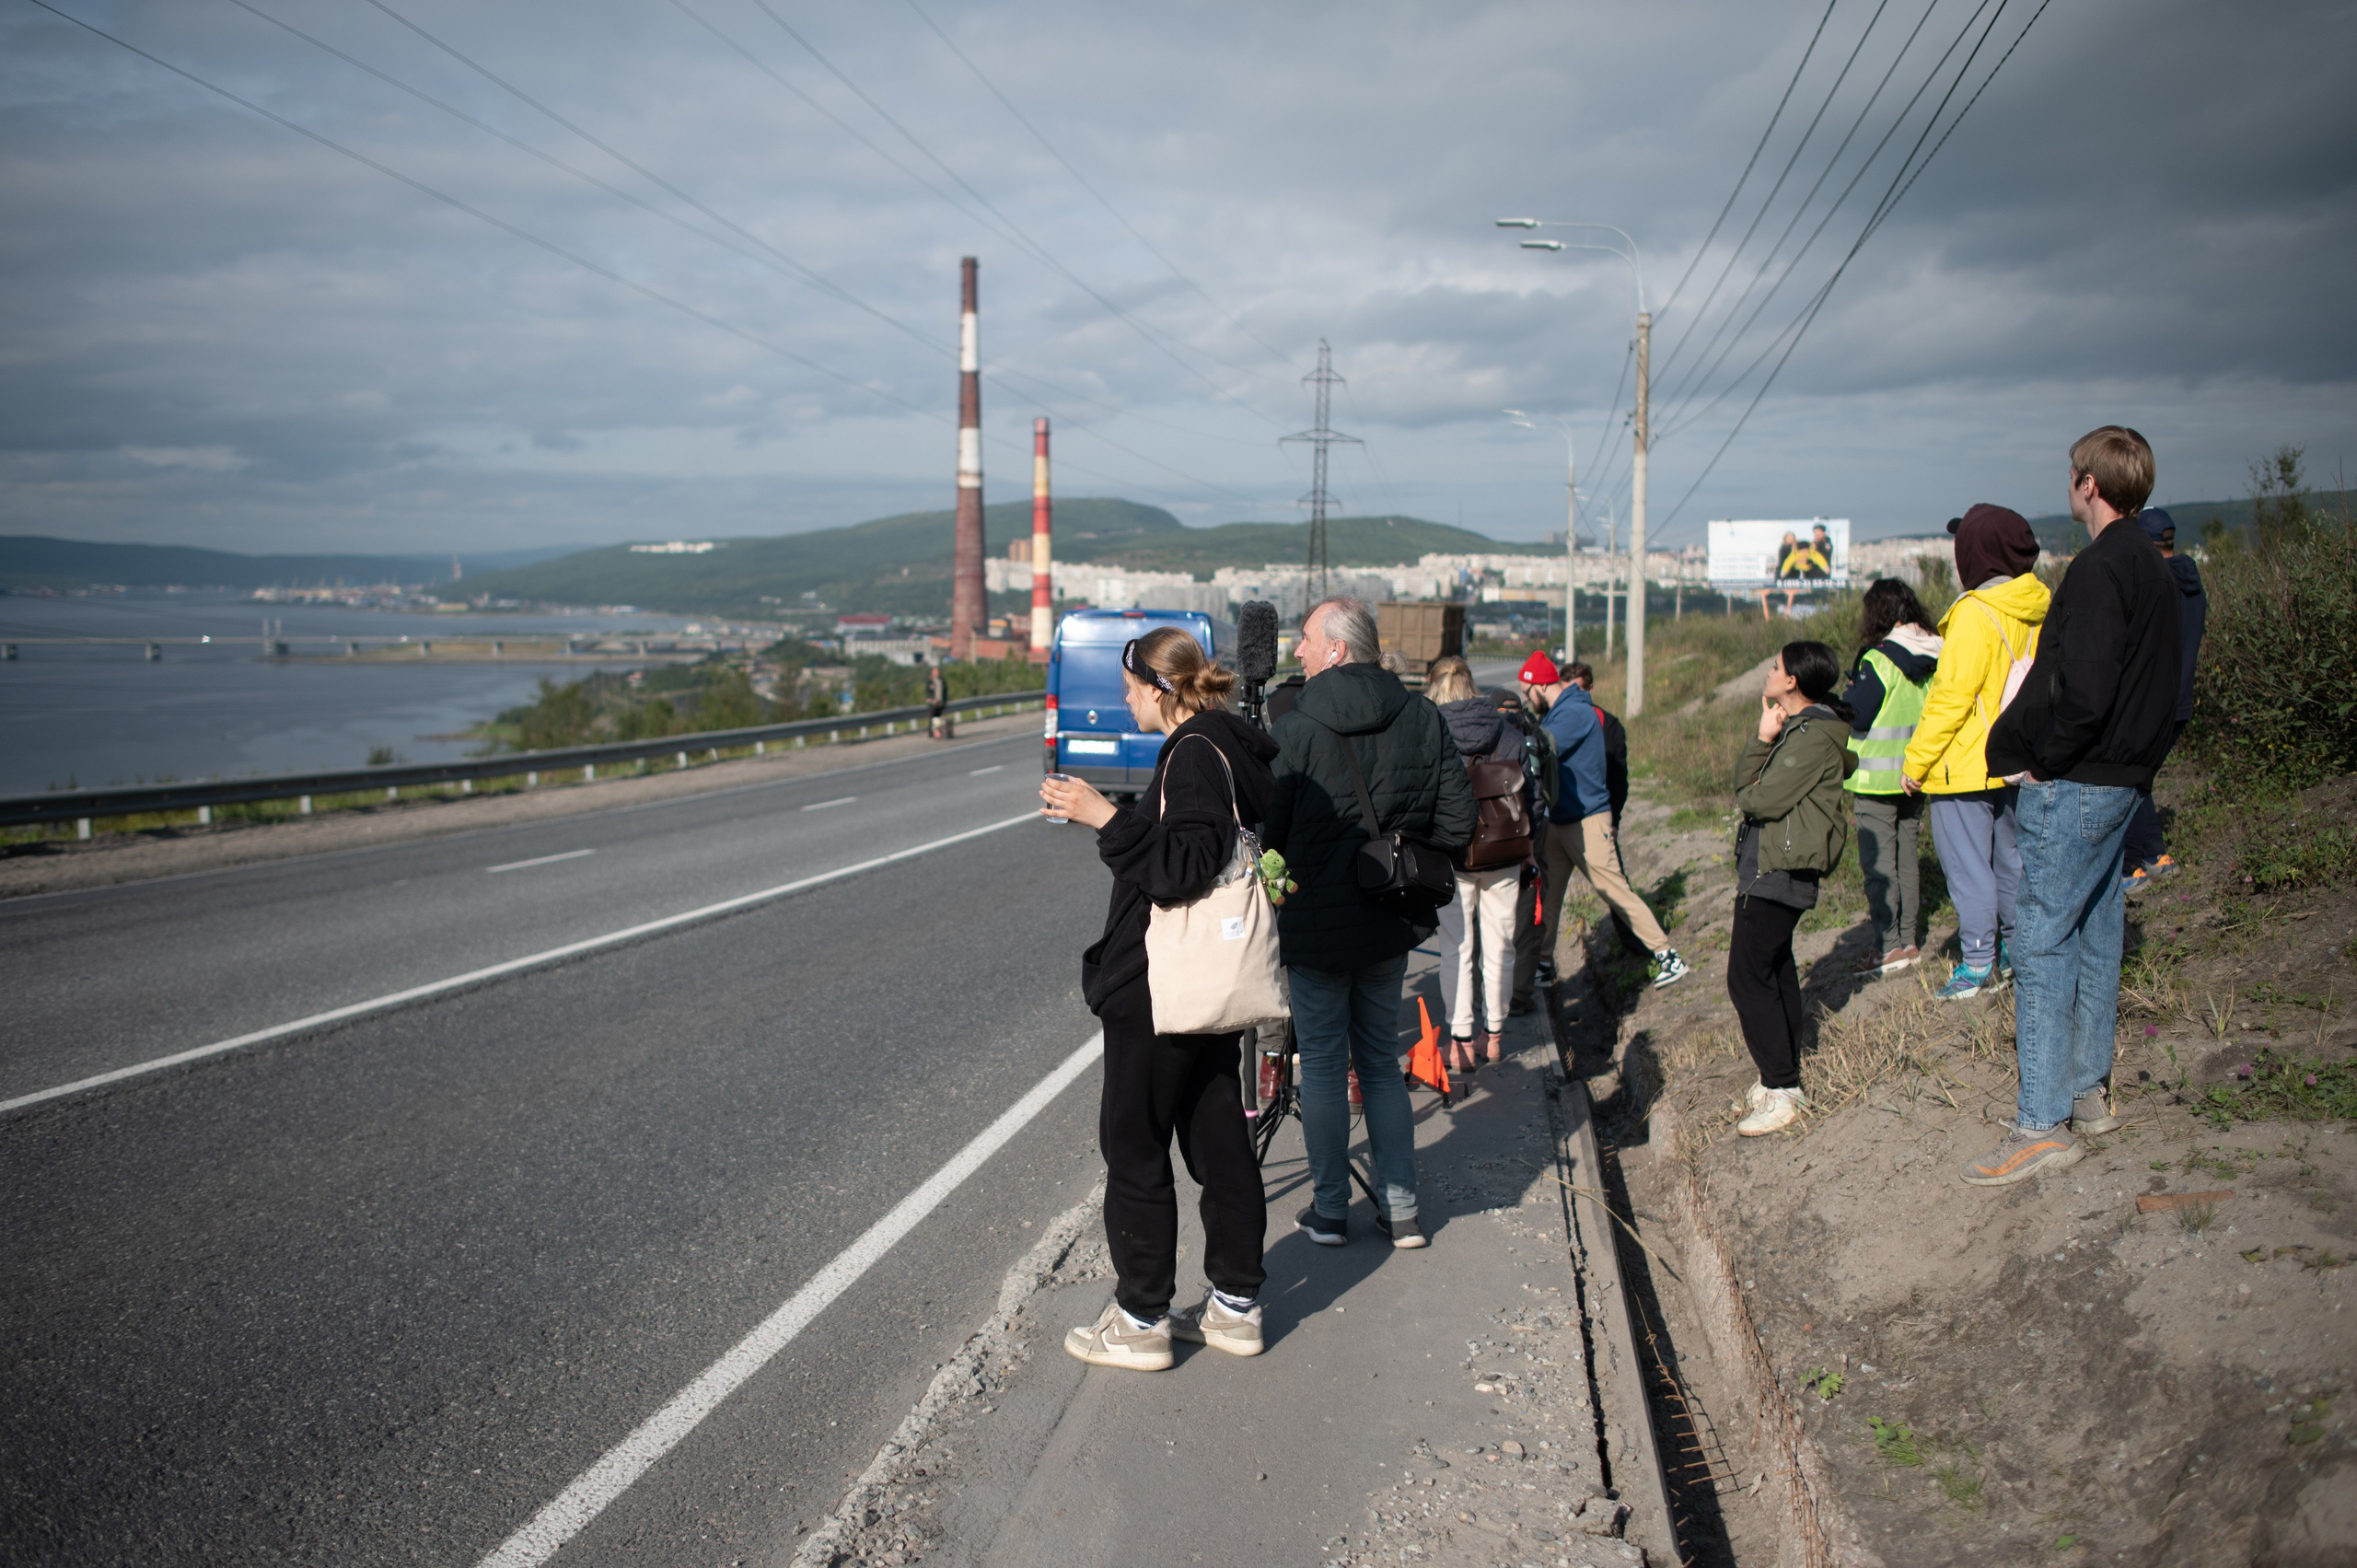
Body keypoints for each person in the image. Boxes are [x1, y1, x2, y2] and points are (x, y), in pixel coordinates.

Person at [1040, 627, 1279, 1368]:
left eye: (1129, 687)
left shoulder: (1195, 753)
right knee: (1216, 1137)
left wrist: (1104, 817)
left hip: (1161, 987)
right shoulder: (1226, 745)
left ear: (1160, 687)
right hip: (1202, 983)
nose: (1124, 699)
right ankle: (1237, 1305)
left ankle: (1143, 1317)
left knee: (1135, 1143)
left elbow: (1182, 866)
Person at [1968, 427, 2181, 1186]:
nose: (2069, 483)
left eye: (2072, 473)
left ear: (2090, 483)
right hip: (2125, 778)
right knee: (2097, 930)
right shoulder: (2157, 570)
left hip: (2078, 777)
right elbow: (2163, 687)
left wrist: (2043, 761)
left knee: (2041, 939)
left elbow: (2084, 689)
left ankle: (2040, 1122)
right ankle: (2088, 1097)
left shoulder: (2097, 569)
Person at [1263, 598, 1474, 1250]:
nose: (1296, 651)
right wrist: (1403, 855)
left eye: (1304, 639)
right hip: (1389, 918)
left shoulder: (1296, 727)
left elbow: (1267, 831)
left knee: (1323, 1066)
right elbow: (1459, 824)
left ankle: (1330, 1210)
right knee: (1381, 1062)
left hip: (1316, 925)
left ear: (1336, 648)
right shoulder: (1422, 715)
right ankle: (1402, 1208)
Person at [1900, 504, 2049, 1000]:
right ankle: (2013, 952)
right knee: (2010, 860)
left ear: (1977, 553)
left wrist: (1916, 762)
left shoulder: (1972, 613)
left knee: (1968, 868)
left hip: (1964, 764)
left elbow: (1950, 698)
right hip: (2015, 758)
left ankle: (1979, 962)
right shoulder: (2036, 604)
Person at [1728, 642, 1858, 1135]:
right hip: (1771, 862)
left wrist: (1758, 771)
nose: (1769, 670)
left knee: (1747, 976)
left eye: (1776, 666)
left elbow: (1759, 799)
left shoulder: (1812, 737)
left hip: (1781, 865)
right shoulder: (1798, 729)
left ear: (1793, 682)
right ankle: (1777, 1078)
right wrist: (1763, 738)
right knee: (1775, 968)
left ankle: (1784, 1091)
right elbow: (1749, 786)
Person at [1524, 651, 1690, 993]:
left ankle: (1668, 955)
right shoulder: (1563, 711)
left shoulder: (1574, 712)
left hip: (1586, 821)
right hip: (1561, 819)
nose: (1529, 701)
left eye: (1528, 694)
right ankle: (1541, 964)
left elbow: (1544, 746)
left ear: (1539, 685)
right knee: (1550, 894)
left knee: (1613, 889)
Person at [1427, 656, 1532, 1073]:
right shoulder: (1507, 731)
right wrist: (1530, 845)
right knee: (1501, 945)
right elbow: (1531, 797)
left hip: (1454, 854)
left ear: (1436, 689)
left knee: (1456, 948)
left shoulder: (1434, 732)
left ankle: (1461, 1040)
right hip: (1504, 852)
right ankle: (1495, 1035)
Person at [1841, 579, 1943, 976]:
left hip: (1876, 780)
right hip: (1915, 775)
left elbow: (1858, 715)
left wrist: (1848, 693)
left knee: (1880, 866)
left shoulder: (1879, 660)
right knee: (1906, 860)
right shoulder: (1937, 651)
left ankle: (1888, 947)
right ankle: (1909, 940)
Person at [2119, 506, 2206, 891]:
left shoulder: (2154, 586)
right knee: (2143, 778)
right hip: (2181, 701)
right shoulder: (2191, 581)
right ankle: (2156, 855)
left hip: (2152, 699)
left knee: (2130, 778)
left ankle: (2130, 866)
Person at [1497, 683, 1558, 1015]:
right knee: (1529, 915)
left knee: (1490, 917)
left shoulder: (1492, 734)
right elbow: (1550, 791)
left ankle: (1486, 996)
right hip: (1534, 831)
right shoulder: (1538, 734)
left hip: (1493, 835)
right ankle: (1519, 995)